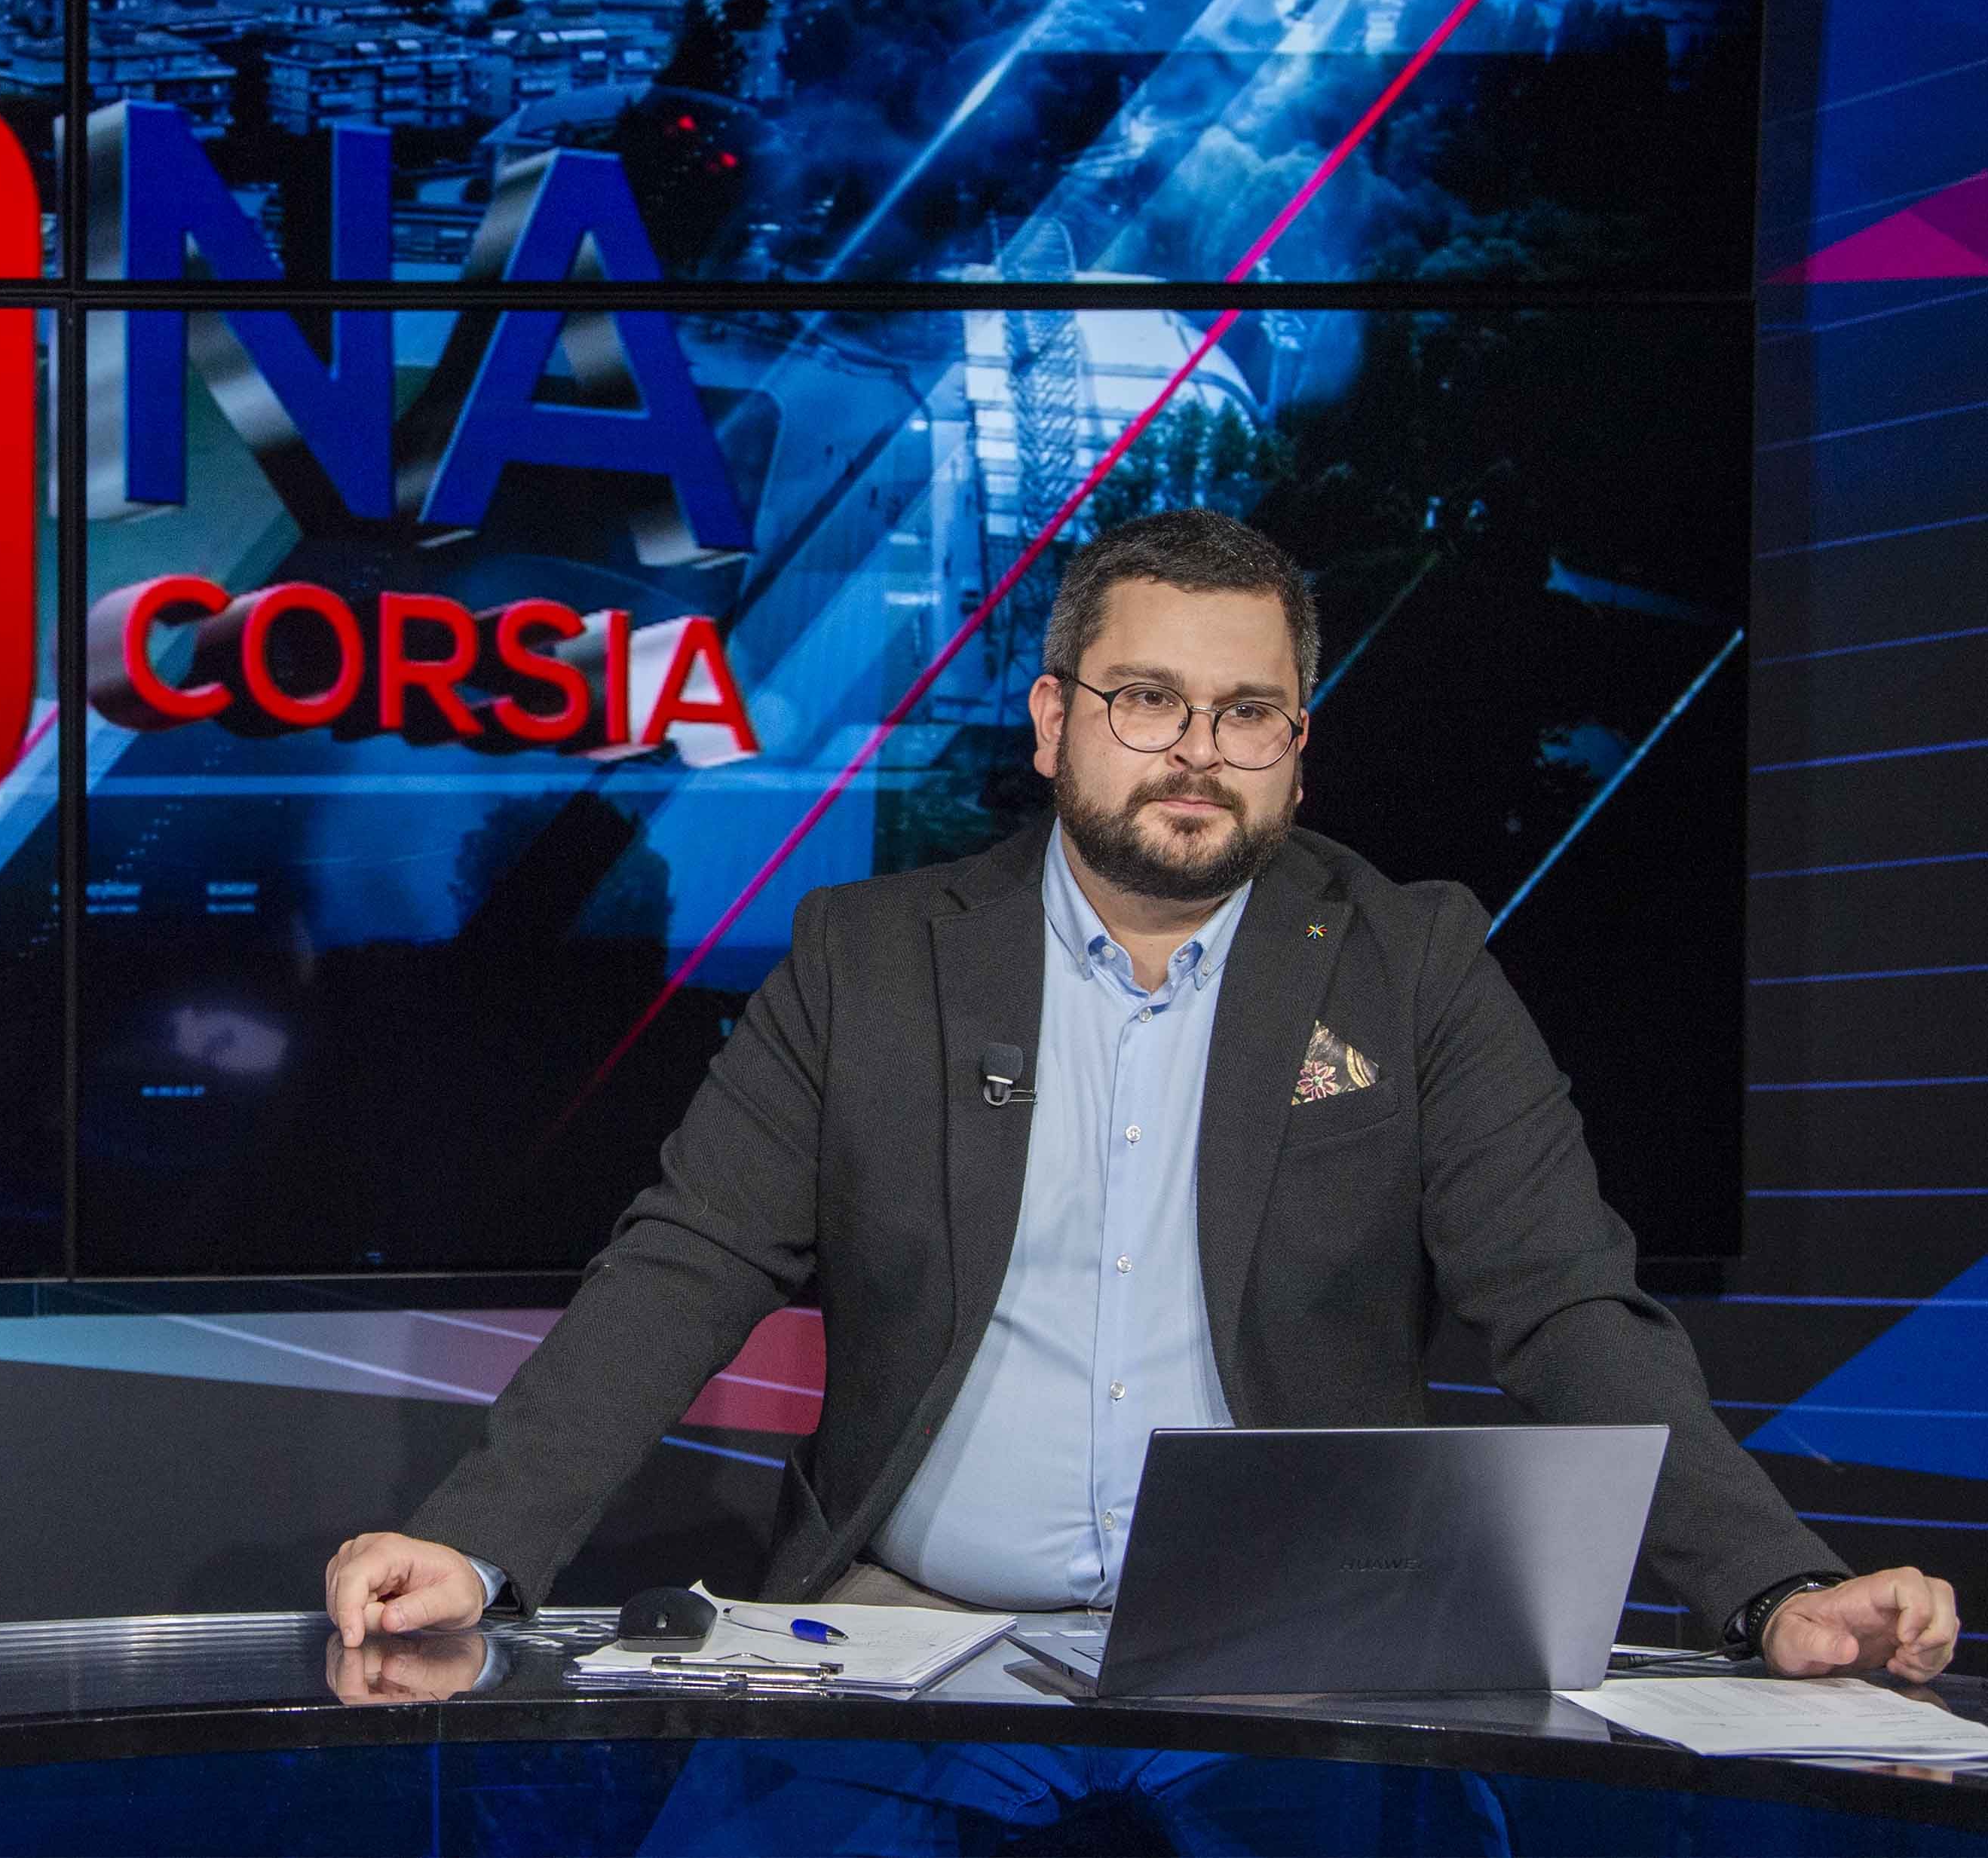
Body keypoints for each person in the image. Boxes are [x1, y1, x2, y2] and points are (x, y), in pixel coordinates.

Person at [325, 510, 1959, 1682]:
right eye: (1147, 700)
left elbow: (1566, 1306)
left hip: (1297, 1645)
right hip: (904, 1628)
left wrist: (1771, 1586)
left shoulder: (1411, 963)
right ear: (1053, 723)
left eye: (1246, 713)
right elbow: (684, 1264)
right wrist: (476, 1542)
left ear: (1297, 748)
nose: (1196, 750)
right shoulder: (870, 957)